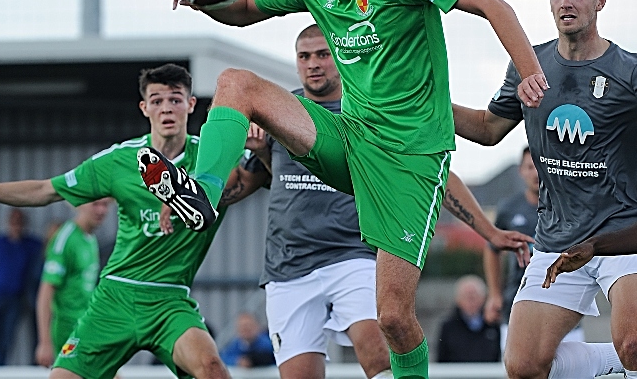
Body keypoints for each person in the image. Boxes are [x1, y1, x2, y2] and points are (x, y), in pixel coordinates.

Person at [146, 0, 547, 377]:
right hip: (349, 137)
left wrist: (528, 71)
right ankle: (202, 193)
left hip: (410, 160)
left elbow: (490, 4)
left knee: (394, 319)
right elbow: (247, 8)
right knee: (235, 83)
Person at [209, 24, 533, 379]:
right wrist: (213, 185)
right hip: (288, 264)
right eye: (304, 57)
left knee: (380, 350)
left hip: (355, 255)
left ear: (340, 55)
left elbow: (433, 174)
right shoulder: (281, 111)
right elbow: (249, 183)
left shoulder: (371, 108)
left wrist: (488, 230)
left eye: (322, 54)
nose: (313, 64)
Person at [0, 63, 233, 379]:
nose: (166, 108)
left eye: (175, 99)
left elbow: (257, 173)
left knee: (212, 369)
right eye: (157, 100)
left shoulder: (212, 159)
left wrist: (261, 144)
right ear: (144, 108)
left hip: (170, 299)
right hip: (115, 298)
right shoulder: (119, 160)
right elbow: (43, 190)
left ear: (191, 104)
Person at [452, 0, 635, 379]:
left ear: (601, 0)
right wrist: (428, 103)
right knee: (524, 367)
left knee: (633, 343)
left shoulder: (628, 74)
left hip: (623, 236)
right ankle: (613, 364)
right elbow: (487, 128)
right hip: (557, 238)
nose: (565, 3)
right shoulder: (528, 65)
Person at [483, 147, 583, 351]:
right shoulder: (508, 209)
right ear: (521, 171)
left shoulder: (569, 207)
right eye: (530, 167)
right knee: (518, 369)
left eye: (540, 166)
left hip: (563, 306)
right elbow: (492, 248)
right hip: (517, 304)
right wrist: (494, 294)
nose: (536, 173)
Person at [35, 198, 112, 368]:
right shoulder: (65, 238)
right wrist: (44, 342)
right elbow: (46, 290)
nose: (101, 210)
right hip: (68, 333)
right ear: (79, 204)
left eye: (105, 204)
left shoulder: (90, 239)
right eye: (96, 204)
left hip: (85, 329)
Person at [0, 208, 43, 366]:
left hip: (14, 299)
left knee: (7, 337)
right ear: (8, 223)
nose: (16, 225)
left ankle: (1, 366)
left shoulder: (30, 245)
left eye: (19, 222)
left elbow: (46, 251)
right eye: (14, 222)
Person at [437, 275, 500, 363]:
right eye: (466, 296)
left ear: (483, 297)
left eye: (474, 296)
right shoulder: (448, 327)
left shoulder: (494, 325)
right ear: (458, 299)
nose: (471, 300)